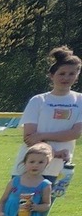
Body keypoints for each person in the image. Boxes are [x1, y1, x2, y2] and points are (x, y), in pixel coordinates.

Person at [17, 46, 79, 199]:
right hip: (31, 166)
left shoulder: (80, 101)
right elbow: (29, 137)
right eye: (62, 73)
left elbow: (75, 133)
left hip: (59, 168)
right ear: (52, 75)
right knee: (21, 209)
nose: (66, 78)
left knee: (43, 209)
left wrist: (42, 135)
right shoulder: (38, 100)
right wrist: (54, 152)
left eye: (72, 74)